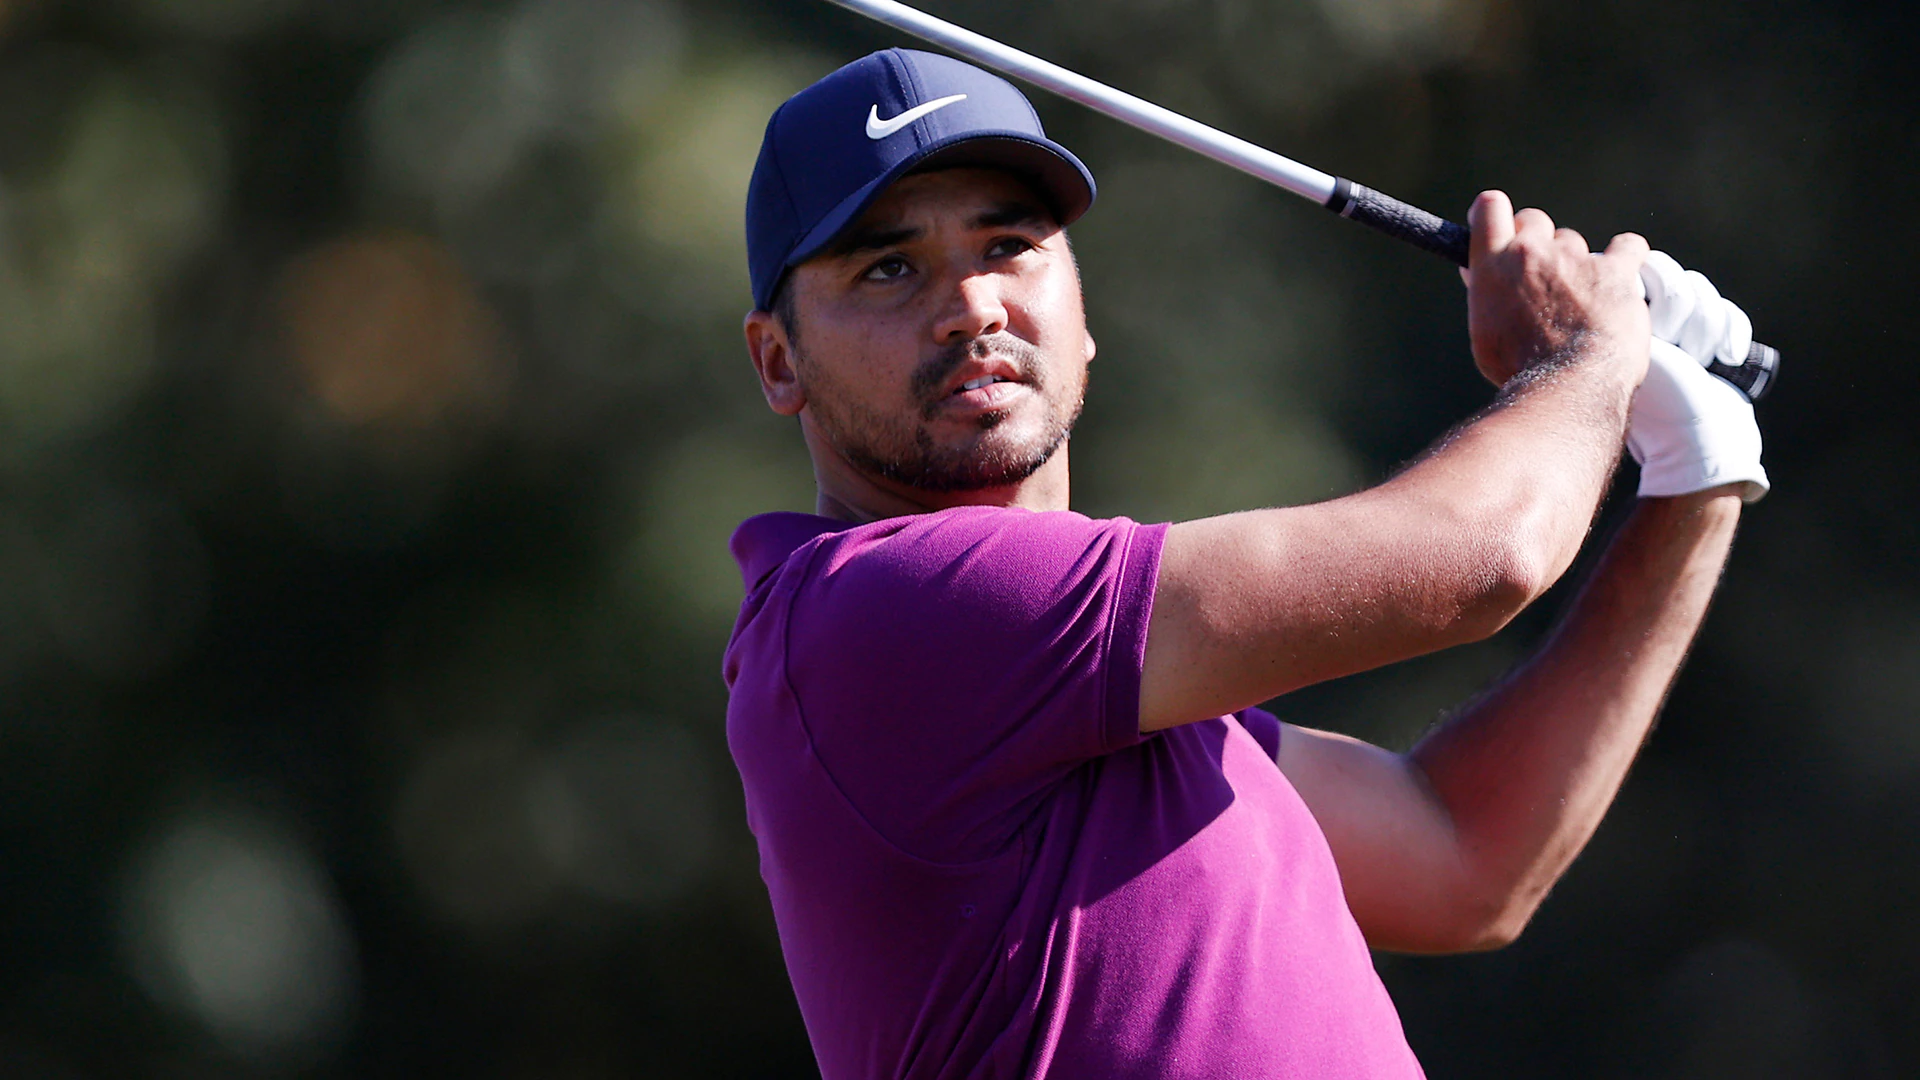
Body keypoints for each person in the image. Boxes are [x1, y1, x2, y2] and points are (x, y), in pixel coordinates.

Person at [723, 48, 1768, 1079]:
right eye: (889, 267)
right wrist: (1585, 357)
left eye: (1009, 244)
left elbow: (1463, 857)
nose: (973, 306)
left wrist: (1693, 479)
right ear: (779, 361)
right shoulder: (880, 616)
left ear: (1086, 318)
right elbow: (1484, 559)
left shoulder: (1112, 699)